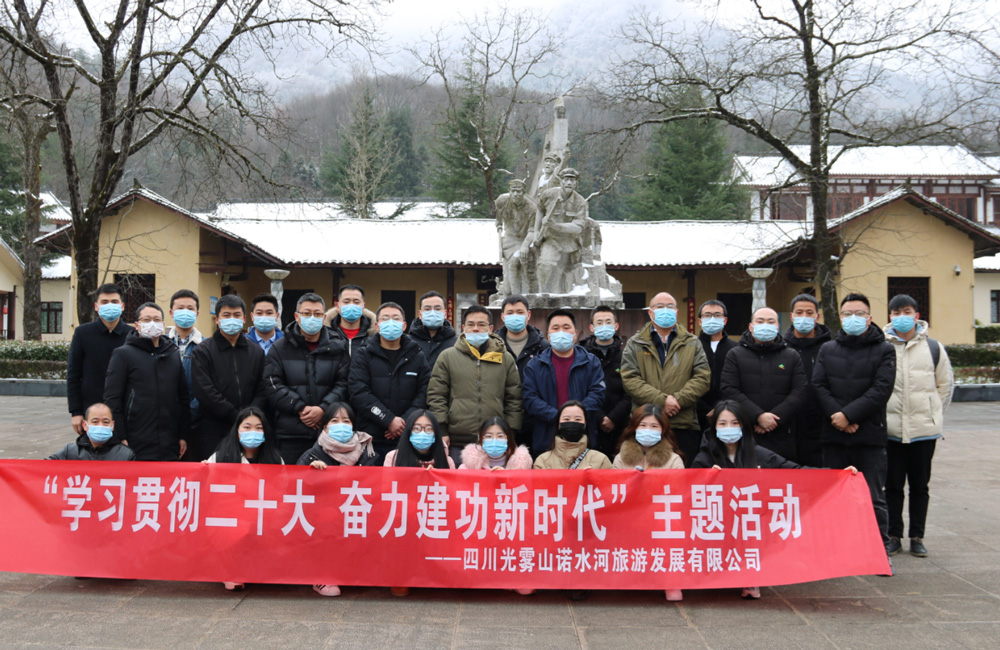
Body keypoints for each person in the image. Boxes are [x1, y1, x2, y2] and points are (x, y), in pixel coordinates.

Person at [691, 400, 857, 599]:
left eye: (735, 423)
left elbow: (795, 472)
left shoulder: (758, 454)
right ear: (714, 427)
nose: (729, 428)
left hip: (750, 521)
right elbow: (690, 490)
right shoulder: (705, 457)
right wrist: (707, 478)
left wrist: (836, 475)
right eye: (723, 423)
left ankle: (750, 575)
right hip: (718, 522)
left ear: (744, 426)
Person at [813, 292, 896, 562]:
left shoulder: (884, 350)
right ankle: (835, 551)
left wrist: (848, 415)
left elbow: (881, 389)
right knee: (832, 496)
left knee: (873, 497)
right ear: (840, 317)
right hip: (834, 435)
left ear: (869, 318)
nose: (853, 318)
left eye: (859, 314)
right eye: (848, 314)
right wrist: (837, 416)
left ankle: (880, 552)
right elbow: (819, 386)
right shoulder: (827, 349)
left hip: (869, 435)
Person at [883, 294, 954, 558]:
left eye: (906, 311)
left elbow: (945, 386)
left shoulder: (933, 348)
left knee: (920, 486)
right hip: (890, 431)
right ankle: (893, 536)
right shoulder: (882, 347)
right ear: (890, 316)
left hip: (924, 432)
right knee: (892, 486)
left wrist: (933, 414)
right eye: (896, 312)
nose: (902, 316)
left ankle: (917, 536)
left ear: (916, 315)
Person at [621, 292, 711, 467]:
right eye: (660, 306)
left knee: (683, 476)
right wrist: (662, 402)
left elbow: (702, 377)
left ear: (676, 312)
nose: (665, 310)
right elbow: (630, 379)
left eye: (670, 307)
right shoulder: (635, 343)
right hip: (646, 424)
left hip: (683, 423)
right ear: (650, 312)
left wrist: (677, 400)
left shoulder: (692, 342)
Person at [427, 305, 522, 465]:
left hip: (494, 442)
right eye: (471, 324)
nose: (476, 328)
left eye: (481, 324)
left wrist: (509, 433)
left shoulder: (505, 358)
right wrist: (441, 430)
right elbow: (436, 396)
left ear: (490, 329)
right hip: (456, 441)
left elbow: (514, 399)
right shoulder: (447, 357)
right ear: (463, 328)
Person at [301, 402, 379, 598]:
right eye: (334, 421)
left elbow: (376, 487)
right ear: (325, 426)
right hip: (324, 515)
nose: (341, 425)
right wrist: (312, 474)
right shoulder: (312, 455)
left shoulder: (367, 451)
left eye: (346, 421)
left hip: (357, 509)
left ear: (353, 426)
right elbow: (296, 490)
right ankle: (323, 576)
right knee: (327, 519)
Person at [265, 293, 351, 464]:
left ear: (324, 317)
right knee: (291, 479)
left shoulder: (337, 347)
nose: (312, 318)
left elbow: (345, 383)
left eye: (317, 314)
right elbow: (272, 383)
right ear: (297, 316)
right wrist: (299, 407)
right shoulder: (280, 348)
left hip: (329, 433)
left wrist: (323, 409)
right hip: (290, 433)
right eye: (306, 313)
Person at [204, 406, 283, 592]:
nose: (252, 432)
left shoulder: (274, 459)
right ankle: (230, 571)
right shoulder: (221, 457)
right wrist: (203, 471)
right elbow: (208, 491)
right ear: (237, 430)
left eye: (258, 428)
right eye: (247, 427)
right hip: (230, 516)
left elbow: (282, 491)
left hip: (263, 515)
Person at [104, 302, 189, 461]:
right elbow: (112, 398)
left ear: (163, 324)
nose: (152, 324)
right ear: (137, 325)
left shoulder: (172, 354)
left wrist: (183, 435)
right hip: (135, 440)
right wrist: (120, 436)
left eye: (157, 320)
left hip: (169, 441)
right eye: (146, 320)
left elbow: (183, 398)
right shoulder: (123, 354)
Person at [720, 307, 807, 461]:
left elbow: (800, 391)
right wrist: (758, 416)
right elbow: (729, 389)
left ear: (778, 327)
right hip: (746, 432)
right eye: (760, 321)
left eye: (770, 321)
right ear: (750, 327)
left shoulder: (791, 356)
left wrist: (774, 419)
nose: (765, 325)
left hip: (782, 434)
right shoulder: (735, 355)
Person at [190, 295, 269, 461]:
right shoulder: (203, 351)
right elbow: (204, 391)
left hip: (249, 430)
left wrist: (249, 415)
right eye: (226, 315)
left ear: (244, 319)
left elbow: (263, 388)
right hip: (213, 428)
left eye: (237, 315)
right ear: (217, 319)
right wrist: (234, 415)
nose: (232, 319)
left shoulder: (256, 352)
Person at [348, 302, 430, 459]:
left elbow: (424, 392)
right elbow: (358, 392)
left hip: (407, 437)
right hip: (371, 437)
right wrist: (388, 420)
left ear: (404, 326)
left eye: (396, 318)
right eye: (385, 319)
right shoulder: (363, 354)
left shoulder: (417, 355)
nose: (391, 322)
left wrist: (404, 422)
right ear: (377, 326)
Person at [522, 309, 605, 455]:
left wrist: (576, 417)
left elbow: (597, 393)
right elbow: (530, 399)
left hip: (583, 436)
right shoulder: (535, 365)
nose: (561, 332)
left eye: (566, 327)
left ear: (575, 334)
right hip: (546, 438)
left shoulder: (591, 362)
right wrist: (558, 418)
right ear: (548, 335)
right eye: (555, 328)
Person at [67, 283, 130, 436]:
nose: (110, 305)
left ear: (122, 306)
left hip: (126, 410)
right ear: (96, 306)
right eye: (104, 302)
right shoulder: (83, 333)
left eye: (114, 302)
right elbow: (73, 375)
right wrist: (76, 411)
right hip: (92, 411)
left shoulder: (133, 335)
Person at [783, 294, 833, 467]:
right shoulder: (781, 347)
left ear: (817, 317)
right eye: (799, 312)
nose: (804, 317)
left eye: (809, 313)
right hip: (788, 424)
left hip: (821, 425)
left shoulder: (829, 348)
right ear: (792, 316)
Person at [579, 306, 633, 459]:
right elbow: (581, 389)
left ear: (616, 326)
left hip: (620, 425)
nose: (604, 326)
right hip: (590, 423)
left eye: (608, 322)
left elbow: (631, 390)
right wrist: (599, 417)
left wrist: (614, 418)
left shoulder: (626, 356)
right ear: (591, 327)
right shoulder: (582, 355)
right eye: (599, 322)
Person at [495, 294, 548, 447]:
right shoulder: (493, 347)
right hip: (501, 422)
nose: (515, 316)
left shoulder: (543, 348)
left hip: (536, 422)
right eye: (510, 313)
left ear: (528, 315)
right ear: (503, 317)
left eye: (520, 312)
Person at [533, 168, 589, 294]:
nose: (569, 183)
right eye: (566, 179)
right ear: (561, 181)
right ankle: (542, 292)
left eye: (572, 180)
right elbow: (540, 210)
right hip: (551, 239)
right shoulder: (548, 195)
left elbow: (578, 227)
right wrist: (536, 232)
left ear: (575, 183)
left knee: (564, 272)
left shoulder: (581, 202)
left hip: (570, 242)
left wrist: (555, 226)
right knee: (545, 264)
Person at [695, 300, 738, 433]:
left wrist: (722, 408)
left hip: (728, 413)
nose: (712, 319)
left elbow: (738, 382)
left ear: (725, 320)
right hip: (695, 414)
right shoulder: (691, 347)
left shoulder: (736, 349)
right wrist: (704, 409)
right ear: (700, 321)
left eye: (717, 315)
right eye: (707, 315)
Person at [533, 401, 612, 470]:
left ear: (585, 424)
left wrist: (593, 479)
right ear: (558, 424)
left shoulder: (601, 460)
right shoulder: (543, 461)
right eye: (566, 419)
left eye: (578, 419)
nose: (572, 422)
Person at [47, 403, 135, 461]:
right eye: (95, 422)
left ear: (112, 425)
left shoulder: (125, 455)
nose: (100, 425)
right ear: (85, 425)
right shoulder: (70, 452)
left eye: (105, 422)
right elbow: (43, 468)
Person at [495, 179, 538, 295]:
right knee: (507, 287)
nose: (515, 194)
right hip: (508, 240)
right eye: (513, 191)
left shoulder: (532, 208)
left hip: (524, 240)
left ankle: (518, 298)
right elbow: (498, 217)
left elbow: (532, 230)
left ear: (523, 192)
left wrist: (525, 246)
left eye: (518, 191)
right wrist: (499, 225)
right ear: (509, 191)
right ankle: (510, 295)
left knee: (514, 264)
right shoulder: (502, 201)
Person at [612, 404, 685, 470]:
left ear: (663, 430)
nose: (648, 430)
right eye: (643, 425)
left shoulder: (674, 460)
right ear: (634, 428)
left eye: (654, 426)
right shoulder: (620, 459)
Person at [384, 409, 455, 469]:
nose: (422, 433)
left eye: (428, 429)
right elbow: (388, 481)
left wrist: (436, 475)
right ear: (409, 431)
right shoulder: (393, 457)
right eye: (417, 428)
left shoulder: (447, 461)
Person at [458, 416, 533, 470]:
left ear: (508, 438)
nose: (494, 441)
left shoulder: (522, 467)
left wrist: (506, 476)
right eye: (489, 436)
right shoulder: (467, 468)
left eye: (500, 436)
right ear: (481, 438)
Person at [409, 291, 457, 369]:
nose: (432, 313)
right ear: (420, 314)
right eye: (427, 309)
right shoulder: (408, 342)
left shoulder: (456, 343)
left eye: (437, 309)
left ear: (445, 314)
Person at [325, 284, 377, 356]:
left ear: (363, 306)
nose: (351, 305)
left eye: (356, 302)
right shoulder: (325, 335)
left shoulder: (375, 337)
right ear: (338, 306)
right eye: (346, 302)